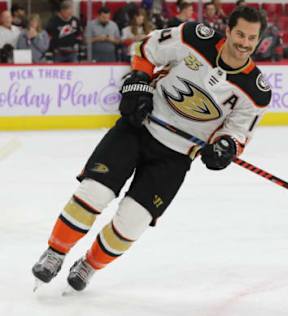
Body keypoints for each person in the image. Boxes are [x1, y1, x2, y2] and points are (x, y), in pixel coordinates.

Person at [32, 6, 271, 292]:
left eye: (251, 38)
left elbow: (238, 133)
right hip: (139, 126)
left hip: (176, 156)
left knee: (132, 222)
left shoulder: (257, 91)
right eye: (240, 34)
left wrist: (225, 146)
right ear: (228, 30)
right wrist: (139, 80)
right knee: (94, 192)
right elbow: (147, 49)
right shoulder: (194, 37)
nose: (244, 43)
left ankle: (89, 265)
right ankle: (56, 252)